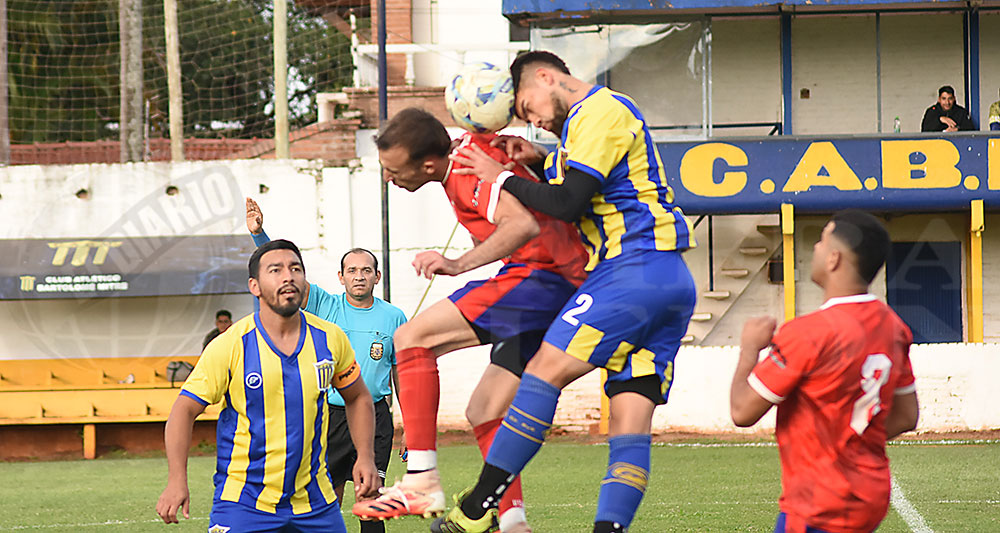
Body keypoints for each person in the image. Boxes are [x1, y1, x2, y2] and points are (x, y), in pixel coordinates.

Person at [437, 51, 697, 533]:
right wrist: (541, 157)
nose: (529, 117)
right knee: (630, 425)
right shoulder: (583, 126)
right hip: (668, 281)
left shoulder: (600, 109)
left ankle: (477, 509)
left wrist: (504, 177)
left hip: (632, 269)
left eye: (527, 105)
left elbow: (568, 201)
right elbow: (588, 184)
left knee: (542, 372)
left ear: (546, 76)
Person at [350, 107, 589, 533]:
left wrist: (458, 264)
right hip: (557, 280)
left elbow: (521, 225)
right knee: (484, 410)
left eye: (392, 170)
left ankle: (421, 479)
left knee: (411, 338)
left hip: (542, 276)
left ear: (426, 164)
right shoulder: (465, 149)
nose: (389, 178)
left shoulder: (461, 171)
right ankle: (512, 521)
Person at [155, 239, 379, 533]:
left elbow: (358, 396)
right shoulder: (231, 345)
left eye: (295, 268)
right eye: (276, 270)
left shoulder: (330, 338)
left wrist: (365, 456)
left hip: (316, 501)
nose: (288, 276)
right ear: (255, 286)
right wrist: (176, 480)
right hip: (243, 502)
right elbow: (184, 409)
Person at [730, 210, 920, 533]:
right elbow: (906, 416)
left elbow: (742, 410)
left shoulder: (808, 333)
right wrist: (849, 440)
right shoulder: (894, 328)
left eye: (821, 240)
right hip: (870, 496)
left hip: (817, 503)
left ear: (834, 259)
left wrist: (749, 347)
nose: (815, 248)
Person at [246, 198, 407, 533]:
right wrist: (260, 236)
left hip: (375, 415)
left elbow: (400, 374)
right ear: (341, 276)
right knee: (325, 495)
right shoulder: (324, 304)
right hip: (331, 415)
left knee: (371, 496)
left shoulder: (394, 317)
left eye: (366, 270)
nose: (359, 277)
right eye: (352, 270)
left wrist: (411, 425)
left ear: (377, 276)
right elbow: (287, 281)